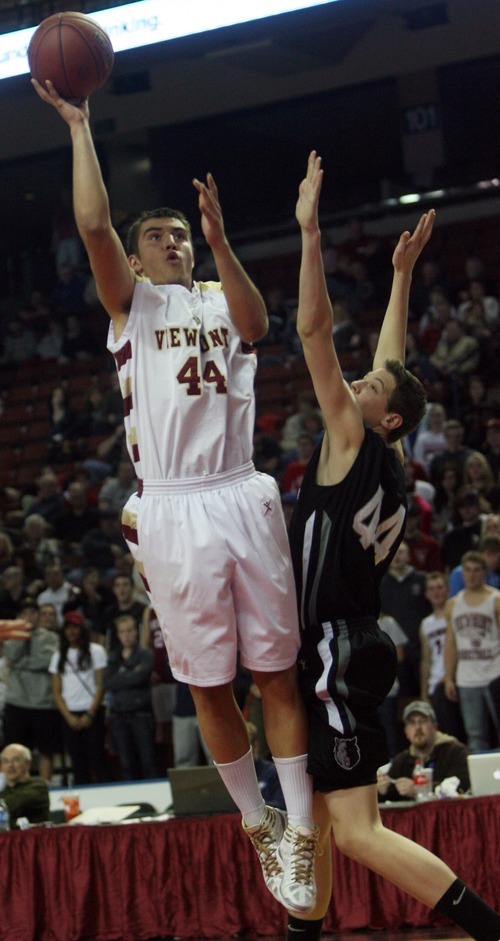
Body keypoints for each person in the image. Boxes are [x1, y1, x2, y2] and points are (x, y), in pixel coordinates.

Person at [33, 79, 318, 913]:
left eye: (181, 234)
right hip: (173, 501)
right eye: (159, 236)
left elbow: (262, 326)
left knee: (277, 674)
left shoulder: (218, 297)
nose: (175, 243)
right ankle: (256, 821)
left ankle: (298, 825)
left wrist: (224, 243)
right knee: (208, 686)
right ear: (135, 254)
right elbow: (93, 225)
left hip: (242, 489)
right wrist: (81, 129)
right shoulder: (133, 304)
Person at [288, 151, 500, 941]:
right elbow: (394, 365)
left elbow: (314, 329)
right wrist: (402, 276)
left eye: (367, 391)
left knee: (355, 829)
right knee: (310, 817)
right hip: (340, 641)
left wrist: (309, 230)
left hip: (338, 645)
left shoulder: (353, 434)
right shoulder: (390, 449)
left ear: (384, 420)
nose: (358, 385)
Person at [444, 550, 500, 752]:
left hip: (495, 674)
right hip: (467, 678)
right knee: (475, 736)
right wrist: (449, 677)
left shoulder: (495, 600)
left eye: (476, 570)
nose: (472, 575)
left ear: (485, 572)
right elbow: (450, 644)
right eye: (467, 570)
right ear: (462, 573)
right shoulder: (453, 604)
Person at [48, 610, 109, 785]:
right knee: (77, 761)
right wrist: (68, 717)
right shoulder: (58, 656)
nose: (71, 631)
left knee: (97, 758)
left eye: (75, 627)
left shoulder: (96, 651)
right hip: (69, 714)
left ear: (82, 629)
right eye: (68, 627)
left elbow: (100, 685)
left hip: (92, 712)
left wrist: (90, 714)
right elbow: (56, 692)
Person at [2, 597, 59, 782]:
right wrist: (22, 633)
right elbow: (10, 655)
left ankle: (45, 786)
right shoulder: (12, 637)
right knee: (15, 749)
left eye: (33, 613)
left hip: (42, 702)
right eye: (25, 613)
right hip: (17, 701)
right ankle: (15, 785)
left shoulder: (50, 637)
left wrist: (19, 663)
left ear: (38, 615)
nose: (29, 616)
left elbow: (47, 661)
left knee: (45, 750)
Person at [376, 701, 470, 802]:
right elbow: (391, 796)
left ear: (434, 727)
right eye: (412, 723)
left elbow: (462, 786)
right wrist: (381, 790)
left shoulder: (456, 752)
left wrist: (420, 789)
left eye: (423, 721)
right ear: (406, 731)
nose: (418, 727)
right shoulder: (401, 761)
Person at [104, 614, 157, 781]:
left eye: (130, 630)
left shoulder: (145, 654)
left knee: (148, 760)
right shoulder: (113, 656)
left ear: (136, 632)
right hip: (119, 716)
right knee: (126, 763)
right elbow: (107, 683)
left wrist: (121, 676)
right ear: (118, 635)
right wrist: (130, 674)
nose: (127, 635)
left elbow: (140, 677)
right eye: (122, 631)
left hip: (141, 715)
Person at [419, 571, 466, 741]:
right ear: (426, 594)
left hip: (458, 680)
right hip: (436, 687)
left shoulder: (457, 613)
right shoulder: (426, 624)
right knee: (447, 736)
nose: (436, 592)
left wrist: (450, 676)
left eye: (440, 587)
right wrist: (424, 693)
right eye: (431, 589)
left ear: (448, 590)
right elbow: (426, 661)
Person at [0, 743, 50, 826]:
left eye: (15, 760)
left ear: (28, 763)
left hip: (34, 837)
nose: (10, 765)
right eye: (6, 761)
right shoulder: (4, 791)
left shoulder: (38, 786)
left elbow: (11, 805)